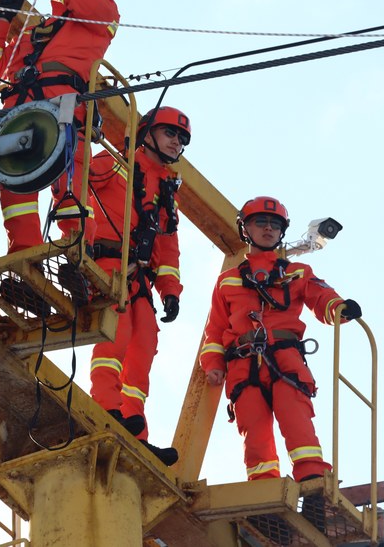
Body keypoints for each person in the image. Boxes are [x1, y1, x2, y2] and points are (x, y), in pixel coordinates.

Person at [200, 196, 362, 484]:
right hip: (243, 365)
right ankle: (263, 492)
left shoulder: (296, 272)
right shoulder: (227, 281)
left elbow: (320, 296)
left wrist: (339, 308)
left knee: (296, 420)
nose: (268, 228)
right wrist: (213, 363)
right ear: (245, 229)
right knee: (254, 432)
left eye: (275, 224)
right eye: (260, 222)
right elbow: (215, 330)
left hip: (285, 359)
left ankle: (313, 483)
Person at [0, 0, 120, 263]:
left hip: (65, 107)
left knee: (70, 183)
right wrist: (1, 20)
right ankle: (24, 259)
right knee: (15, 188)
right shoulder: (38, 31)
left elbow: (86, 1)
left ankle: (77, 253)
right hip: (21, 112)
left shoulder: (103, 12)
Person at [87, 106, 191, 466]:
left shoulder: (165, 190)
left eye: (182, 139)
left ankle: (135, 428)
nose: (177, 142)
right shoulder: (114, 163)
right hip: (108, 261)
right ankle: (104, 406)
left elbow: (167, 246)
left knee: (144, 342)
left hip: (140, 275)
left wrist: (171, 291)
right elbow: (70, 183)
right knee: (116, 335)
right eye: (170, 134)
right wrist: (75, 239)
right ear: (146, 133)